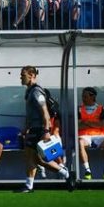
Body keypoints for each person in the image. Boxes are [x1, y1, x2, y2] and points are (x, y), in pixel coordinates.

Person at [16, 65, 72, 193]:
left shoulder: (36, 91)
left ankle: (65, 174)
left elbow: (45, 112)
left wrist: (46, 131)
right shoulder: (29, 91)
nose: (21, 77)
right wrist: (27, 128)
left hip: (40, 129)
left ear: (32, 75)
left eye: (23, 75)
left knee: (36, 158)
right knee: (34, 158)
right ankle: (30, 185)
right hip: (34, 128)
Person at [76, 87, 104, 181]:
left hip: (100, 135)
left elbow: (102, 124)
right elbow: (78, 126)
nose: (83, 98)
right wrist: (94, 124)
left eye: (85, 96)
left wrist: (86, 122)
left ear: (93, 97)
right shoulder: (80, 109)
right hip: (84, 135)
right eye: (82, 96)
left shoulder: (101, 108)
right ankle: (87, 171)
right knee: (80, 143)